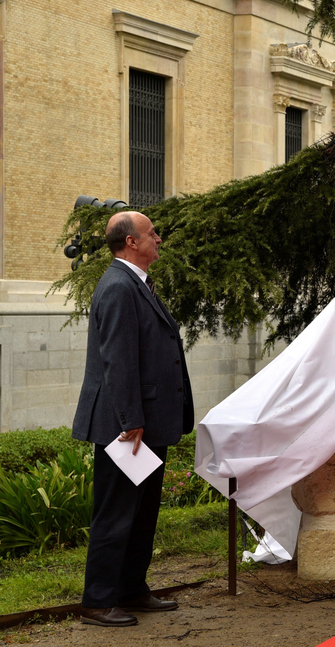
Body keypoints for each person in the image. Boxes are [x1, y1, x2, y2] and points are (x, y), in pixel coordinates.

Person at [72, 211, 194, 627]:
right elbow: (117, 361)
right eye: (152, 234)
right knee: (116, 513)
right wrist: (131, 421)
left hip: (146, 423)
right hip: (126, 428)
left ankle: (130, 590)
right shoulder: (118, 287)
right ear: (131, 243)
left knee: (142, 514)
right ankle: (97, 602)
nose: (158, 239)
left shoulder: (135, 283)